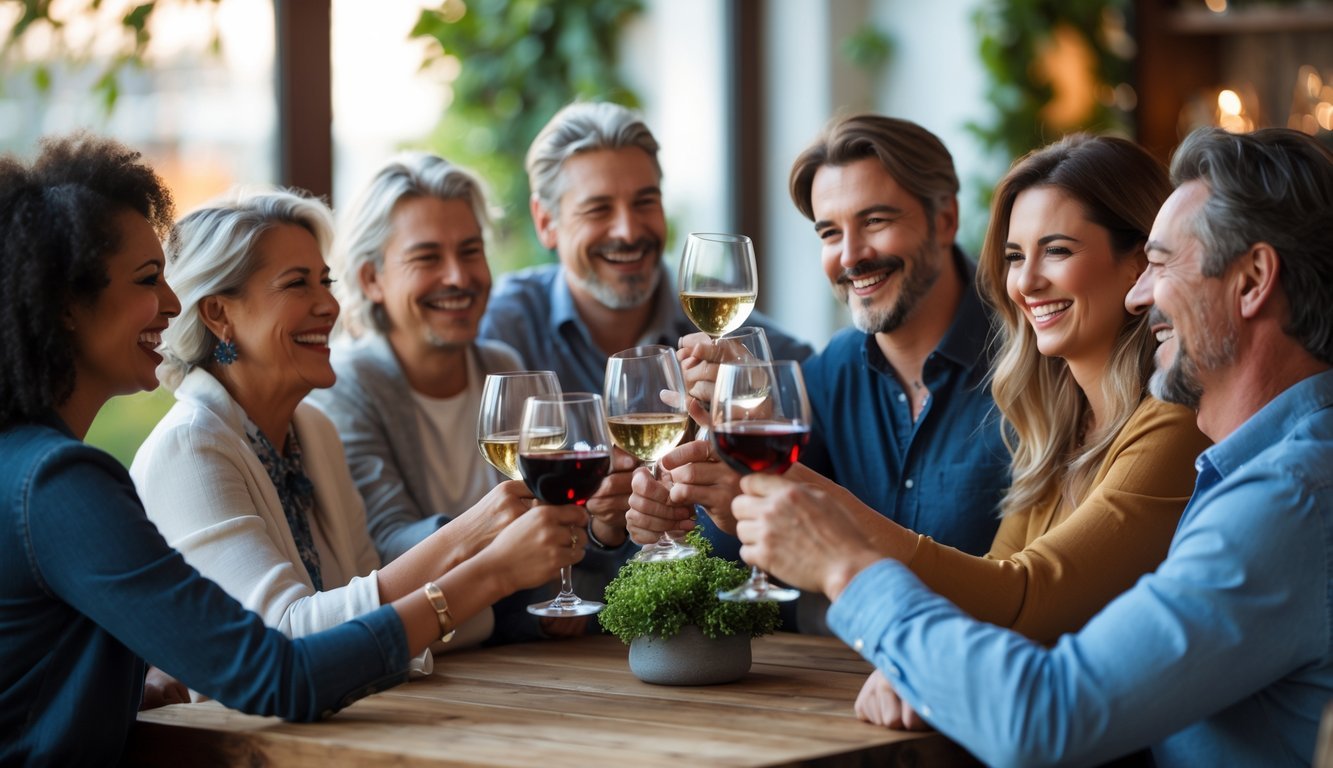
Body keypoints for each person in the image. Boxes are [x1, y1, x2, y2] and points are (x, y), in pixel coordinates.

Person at [729, 127, 1333, 766]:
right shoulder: (1213, 459)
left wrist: (844, 567)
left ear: (1253, 280)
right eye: (1015, 257)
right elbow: (1000, 603)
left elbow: (1046, 708)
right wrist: (928, 667)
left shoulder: (1283, 497)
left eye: (1162, 264)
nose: (1141, 294)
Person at [0, 134, 584, 766]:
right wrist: (490, 568)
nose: (171, 305)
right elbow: (279, 671)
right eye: (148, 280)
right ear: (64, 308)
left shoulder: (39, 469)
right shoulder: (65, 482)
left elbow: (349, 610)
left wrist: (128, 684)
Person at [130, 188, 583, 667]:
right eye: (297, 284)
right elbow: (282, 641)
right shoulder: (191, 447)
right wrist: (481, 555)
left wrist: (525, 607)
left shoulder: (313, 432)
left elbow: (377, 604)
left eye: (324, 282)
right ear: (219, 313)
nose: (328, 305)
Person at [628, 116, 1012, 628]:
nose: (850, 256)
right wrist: (704, 504)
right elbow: (755, 575)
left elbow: (1038, 589)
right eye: (830, 232)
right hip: (841, 690)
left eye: (875, 221)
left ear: (945, 220)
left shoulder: (1031, 363)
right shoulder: (829, 374)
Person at [306, 153, 630, 640]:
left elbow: (557, 528)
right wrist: (510, 534)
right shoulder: (348, 384)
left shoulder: (502, 368)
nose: (458, 277)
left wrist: (602, 525)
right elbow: (386, 550)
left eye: (471, 250)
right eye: (427, 257)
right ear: (372, 279)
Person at [478, 100, 813, 395]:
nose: (628, 231)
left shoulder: (734, 337)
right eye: (598, 209)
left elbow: (815, 409)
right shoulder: (503, 330)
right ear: (546, 223)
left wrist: (760, 403)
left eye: (645, 202)